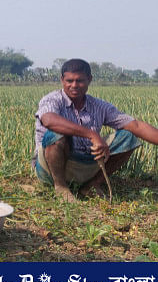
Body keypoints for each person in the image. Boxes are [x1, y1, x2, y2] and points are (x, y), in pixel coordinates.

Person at [34, 58, 158, 202]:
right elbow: (49, 120)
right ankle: (61, 187)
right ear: (62, 80)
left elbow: (135, 126)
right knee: (55, 133)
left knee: (128, 136)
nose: (74, 85)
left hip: (86, 165)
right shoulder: (52, 100)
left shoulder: (99, 106)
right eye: (69, 81)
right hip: (51, 167)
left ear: (89, 79)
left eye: (80, 80)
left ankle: (92, 185)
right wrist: (91, 134)